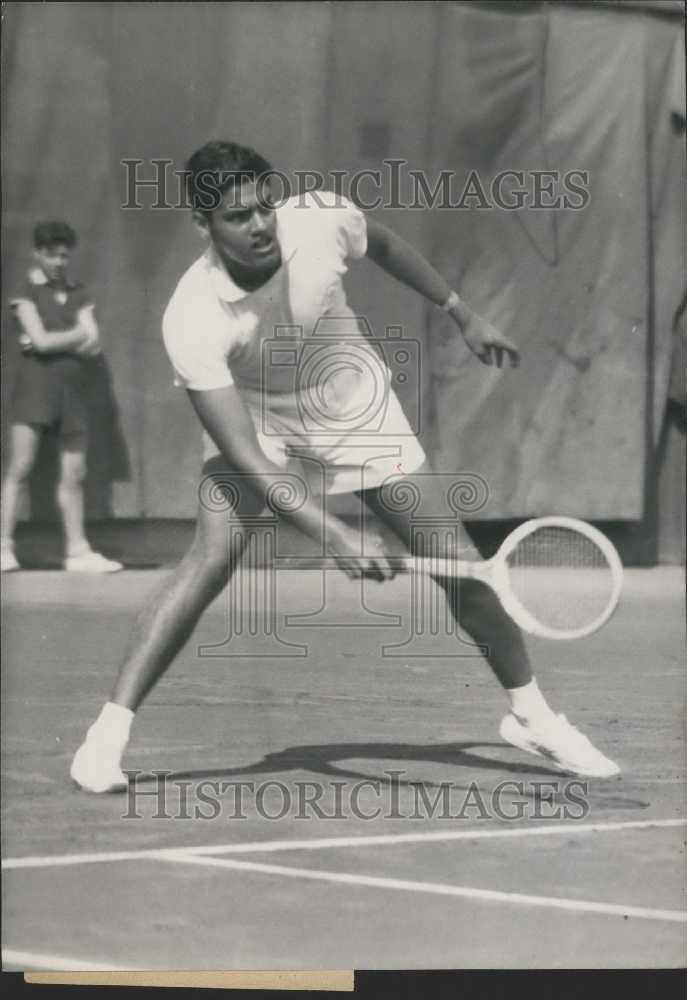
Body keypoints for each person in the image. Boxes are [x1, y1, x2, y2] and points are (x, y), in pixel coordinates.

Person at [71, 141, 619, 792]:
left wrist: (460, 313)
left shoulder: (321, 220)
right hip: (260, 420)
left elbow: (382, 245)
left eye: (264, 207)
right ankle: (104, 739)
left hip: (356, 406)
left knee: (462, 566)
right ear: (203, 227)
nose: (259, 226)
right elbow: (247, 459)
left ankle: (532, 716)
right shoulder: (191, 318)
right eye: (236, 217)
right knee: (211, 558)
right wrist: (334, 532)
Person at [1, 222, 122, 574]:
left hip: (74, 394)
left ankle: (77, 551)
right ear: (37, 253)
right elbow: (41, 342)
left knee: (75, 473)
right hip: (35, 389)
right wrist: (73, 336)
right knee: (20, 468)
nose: (58, 261)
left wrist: (54, 339)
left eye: (64, 254)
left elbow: (93, 341)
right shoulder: (25, 290)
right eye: (51, 254)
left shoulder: (78, 291)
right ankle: (3, 547)